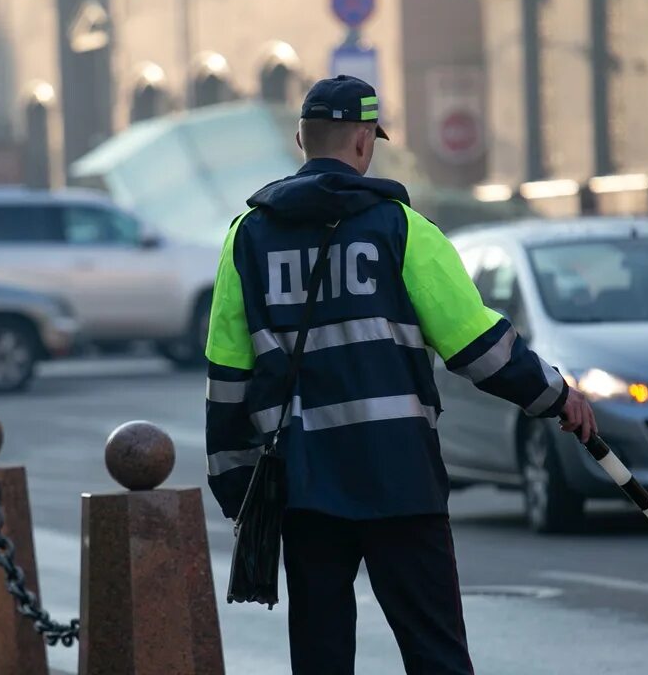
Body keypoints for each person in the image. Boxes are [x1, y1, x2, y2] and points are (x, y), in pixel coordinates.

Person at [204, 75, 597, 674]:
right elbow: (478, 346)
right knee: (434, 650)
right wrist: (554, 396)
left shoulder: (246, 239)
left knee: (321, 656)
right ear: (365, 141)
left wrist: (237, 488)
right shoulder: (402, 229)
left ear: (301, 141)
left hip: (305, 483)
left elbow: (228, 378)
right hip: (400, 476)